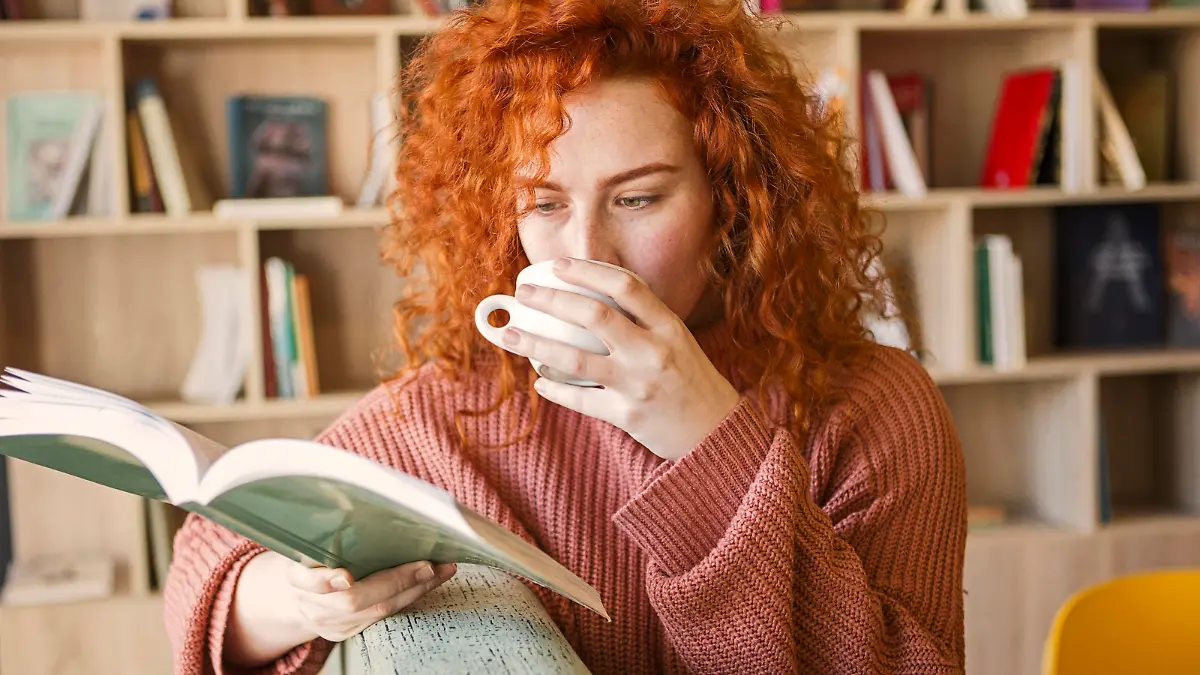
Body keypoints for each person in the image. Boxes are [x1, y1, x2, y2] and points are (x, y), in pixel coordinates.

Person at [163, 0, 968, 672]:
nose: (586, 254)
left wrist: (708, 439)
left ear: (731, 200)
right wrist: (292, 597)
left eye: (639, 199)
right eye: (545, 205)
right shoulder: (460, 404)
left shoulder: (870, 407)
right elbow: (210, 563)